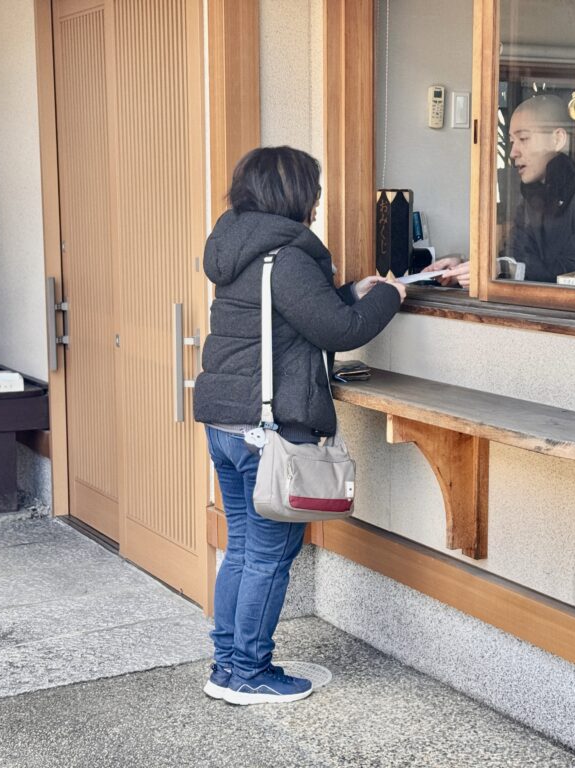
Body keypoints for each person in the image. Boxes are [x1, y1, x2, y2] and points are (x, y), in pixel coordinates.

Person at [193, 146, 405, 705]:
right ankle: (248, 674)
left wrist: (346, 291)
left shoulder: (240, 249)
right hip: (270, 433)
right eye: (314, 188)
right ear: (295, 194)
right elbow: (342, 331)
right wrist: (390, 294)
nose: (317, 200)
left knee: (242, 549)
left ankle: (227, 665)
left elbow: (293, 316)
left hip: (227, 423)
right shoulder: (287, 257)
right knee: (267, 556)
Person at [425, 94, 575, 287]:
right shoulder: (533, 198)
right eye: (512, 141)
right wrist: (462, 270)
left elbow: (574, 273)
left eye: (523, 138)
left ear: (557, 139)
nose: (513, 153)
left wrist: (500, 269)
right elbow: (513, 259)